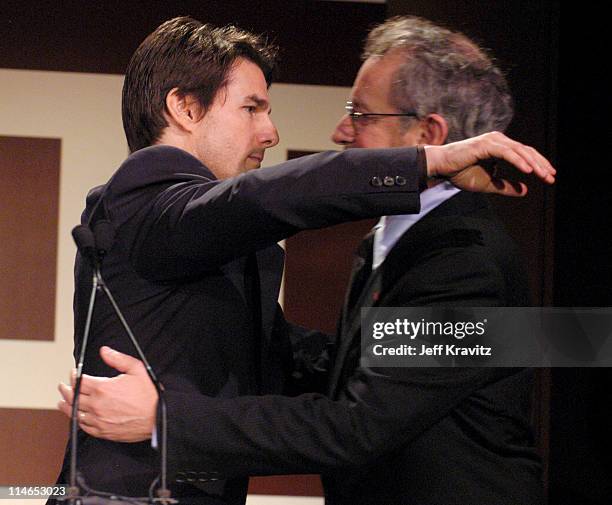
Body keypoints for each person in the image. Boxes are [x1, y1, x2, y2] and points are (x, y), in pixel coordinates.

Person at [57, 15, 555, 505]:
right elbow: (261, 199)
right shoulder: (143, 195)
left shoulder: (460, 256)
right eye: (251, 108)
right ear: (184, 107)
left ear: (428, 129)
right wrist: (426, 164)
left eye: (361, 115)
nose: (272, 133)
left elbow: (353, 409)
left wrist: (167, 418)